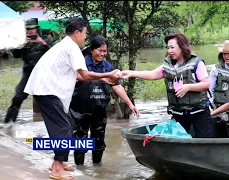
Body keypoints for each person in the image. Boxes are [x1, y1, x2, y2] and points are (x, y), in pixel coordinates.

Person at [23, 17, 122, 180]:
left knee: (66, 125)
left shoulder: (65, 45)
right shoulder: (72, 47)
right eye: (84, 33)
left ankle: (59, 163)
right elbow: (85, 73)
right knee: (64, 128)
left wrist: (103, 78)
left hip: (44, 90)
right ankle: (56, 168)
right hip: (48, 91)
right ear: (77, 32)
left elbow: (78, 75)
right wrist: (108, 74)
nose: (85, 37)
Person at [122, 33, 214, 138]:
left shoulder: (197, 63)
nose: (169, 51)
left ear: (182, 47)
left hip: (199, 111)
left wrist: (188, 87)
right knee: (178, 144)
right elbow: (152, 74)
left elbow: (206, 84)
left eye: (172, 47)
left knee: (203, 142)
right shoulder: (168, 65)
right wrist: (131, 73)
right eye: (168, 48)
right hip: (178, 113)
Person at [71, 36, 139, 165]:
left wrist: (130, 104)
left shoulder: (107, 66)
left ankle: (97, 170)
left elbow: (117, 86)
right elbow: (77, 77)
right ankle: (80, 171)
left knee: (99, 141)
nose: (102, 54)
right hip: (80, 110)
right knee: (80, 140)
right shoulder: (82, 63)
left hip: (99, 109)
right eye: (99, 50)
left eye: (105, 51)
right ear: (91, 50)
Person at [4, 18, 53, 123]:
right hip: (27, 74)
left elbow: (57, 52)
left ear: (36, 28)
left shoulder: (46, 38)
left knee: (46, 103)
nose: (30, 31)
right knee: (17, 98)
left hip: (43, 75)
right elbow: (16, 56)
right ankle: (8, 125)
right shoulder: (22, 40)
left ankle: (47, 128)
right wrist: (20, 45)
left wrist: (43, 42)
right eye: (27, 29)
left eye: (32, 29)